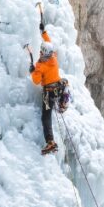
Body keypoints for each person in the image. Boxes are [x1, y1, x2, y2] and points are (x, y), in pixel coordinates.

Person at [30, 18, 62, 154]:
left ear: (43, 52)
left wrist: (32, 70)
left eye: (41, 51)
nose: (40, 53)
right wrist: (43, 31)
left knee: (46, 117)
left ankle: (50, 142)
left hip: (48, 93)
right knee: (63, 83)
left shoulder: (41, 65)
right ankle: (62, 102)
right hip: (58, 89)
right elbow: (49, 42)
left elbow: (36, 81)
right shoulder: (53, 57)